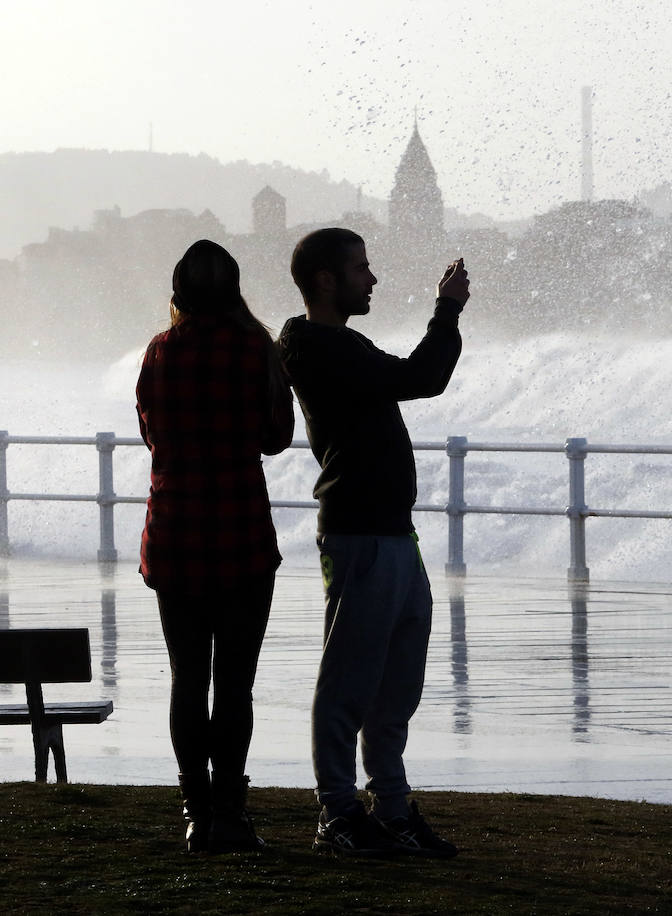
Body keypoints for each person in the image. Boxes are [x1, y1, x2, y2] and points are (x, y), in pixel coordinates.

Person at [277, 227, 468, 857]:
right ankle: (337, 811)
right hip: (359, 535)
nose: (373, 279)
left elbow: (415, 377)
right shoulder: (317, 348)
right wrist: (447, 310)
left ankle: (390, 807)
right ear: (326, 281)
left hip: (394, 533)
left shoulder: (341, 344)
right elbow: (424, 376)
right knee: (349, 681)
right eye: (361, 269)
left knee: (396, 685)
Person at [136, 239, 294, 853]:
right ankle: (231, 808)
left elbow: (151, 436)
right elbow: (277, 437)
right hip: (241, 536)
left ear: (177, 293)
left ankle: (195, 811)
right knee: (234, 684)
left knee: (186, 680)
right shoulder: (255, 348)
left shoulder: (158, 352)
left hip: (175, 535)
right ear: (234, 292)